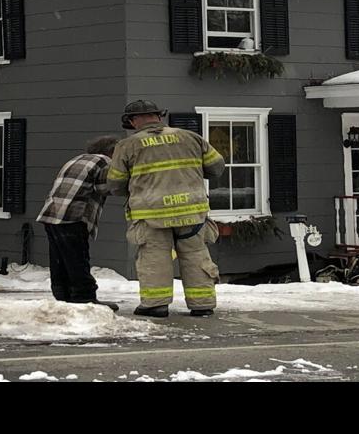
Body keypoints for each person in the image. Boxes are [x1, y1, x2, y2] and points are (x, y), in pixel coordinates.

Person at [106, 100, 227, 318]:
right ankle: (202, 304)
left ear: (132, 121)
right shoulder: (190, 137)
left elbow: (115, 185)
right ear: (159, 116)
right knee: (196, 254)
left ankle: (156, 304)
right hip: (191, 211)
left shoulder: (127, 146)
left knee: (155, 256)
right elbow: (217, 167)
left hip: (151, 214)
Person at [36, 136, 121, 311]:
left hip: (51, 213)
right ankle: (85, 297)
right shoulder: (104, 161)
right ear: (111, 151)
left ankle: (62, 294)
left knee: (60, 257)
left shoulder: (76, 159)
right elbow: (105, 187)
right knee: (77, 257)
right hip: (74, 215)